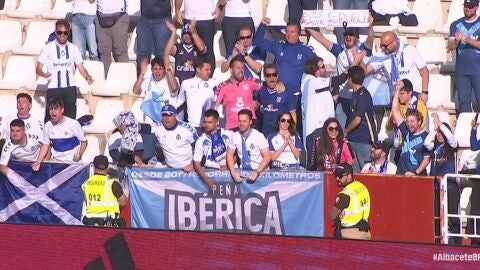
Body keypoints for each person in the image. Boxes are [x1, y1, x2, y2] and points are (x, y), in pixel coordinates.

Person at [307, 16, 374, 127]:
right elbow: (322, 39)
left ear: (357, 38)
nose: (348, 36)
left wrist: (371, 26)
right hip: (343, 97)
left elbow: (370, 38)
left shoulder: (363, 50)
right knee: (341, 128)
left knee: (357, 127)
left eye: (351, 34)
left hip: (358, 96)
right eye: (346, 34)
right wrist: (308, 25)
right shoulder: (340, 51)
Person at [301, 56, 362, 169]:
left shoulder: (314, 83)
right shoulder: (312, 82)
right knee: (315, 165)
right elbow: (340, 79)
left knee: (327, 163)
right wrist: (355, 62)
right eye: (322, 67)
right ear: (315, 71)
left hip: (322, 128)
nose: (325, 69)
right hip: (316, 130)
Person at [254, 17, 317, 122]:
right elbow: (258, 41)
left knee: (298, 127)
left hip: (298, 97)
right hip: (280, 94)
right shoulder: (279, 46)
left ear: (299, 33)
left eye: (292, 32)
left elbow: (318, 65)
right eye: (287, 31)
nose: (289, 34)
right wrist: (263, 25)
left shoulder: (306, 49)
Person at [36, 19, 94, 122]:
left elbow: (80, 67)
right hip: (54, 88)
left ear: (68, 32)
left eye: (65, 32)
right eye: (59, 32)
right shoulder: (47, 48)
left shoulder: (74, 48)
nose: (62, 35)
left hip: (69, 88)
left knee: (70, 119)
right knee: (51, 119)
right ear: (55, 32)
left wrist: (87, 77)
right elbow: (38, 68)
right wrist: (44, 74)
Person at [424, 112, 460, 245]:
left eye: (441, 132)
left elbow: (451, 138)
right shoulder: (433, 147)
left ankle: (456, 242)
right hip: (436, 186)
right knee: (436, 216)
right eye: (438, 132)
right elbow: (427, 142)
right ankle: (437, 242)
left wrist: (440, 124)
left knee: (453, 216)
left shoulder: (451, 146)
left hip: (450, 186)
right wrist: (435, 129)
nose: (439, 134)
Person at [364, 31, 429, 104]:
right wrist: (359, 60)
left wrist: (425, 92)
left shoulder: (410, 50)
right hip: (397, 96)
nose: (382, 48)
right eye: (381, 45)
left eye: (385, 45)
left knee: (414, 115)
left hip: (414, 93)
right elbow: (366, 70)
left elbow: (424, 71)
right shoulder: (382, 55)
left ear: (394, 42)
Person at [33, 99, 88, 170]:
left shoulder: (73, 124)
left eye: (55, 108)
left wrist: (80, 154)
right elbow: (45, 145)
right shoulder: (48, 125)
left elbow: (84, 142)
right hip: (56, 162)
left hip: (72, 162)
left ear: (62, 110)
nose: (53, 111)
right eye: (51, 109)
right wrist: (38, 161)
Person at [447, 0, 480, 113]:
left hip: (478, 70)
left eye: (471, 7)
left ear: (477, 6)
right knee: (463, 105)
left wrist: (467, 39)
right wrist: (456, 40)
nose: (468, 9)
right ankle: (465, 129)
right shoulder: (456, 24)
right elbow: (450, 46)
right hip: (462, 71)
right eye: (466, 6)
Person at [390, 83, 430, 176]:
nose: (409, 124)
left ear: (419, 122)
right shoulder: (406, 130)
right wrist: (397, 91)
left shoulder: (425, 137)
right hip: (401, 174)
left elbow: (426, 159)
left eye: (412, 121)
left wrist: (415, 173)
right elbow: (395, 110)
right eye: (407, 121)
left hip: (416, 177)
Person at [344, 66, 377, 172]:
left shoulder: (363, 95)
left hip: (364, 139)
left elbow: (358, 119)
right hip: (353, 138)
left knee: (365, 170)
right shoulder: (355, 94)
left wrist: (346, 131)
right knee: (355, 170)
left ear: (350, 78)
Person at [215, 56, 262, 131]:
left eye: (242, 68)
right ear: (231, 70)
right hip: (232, 127)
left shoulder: (250, 81)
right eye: (238, 68)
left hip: (250, 125)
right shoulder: (223, 86)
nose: (241, 70)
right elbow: (215, 106)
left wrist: (258, 102)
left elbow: (267, 88)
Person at [81, 155, 128, 227]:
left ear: (93, 166)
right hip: (109, 223)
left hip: (90, 222)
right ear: (108, 167)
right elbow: (123, 202)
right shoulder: (113, 184)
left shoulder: (85, 184)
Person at [227, 109, 271, 183]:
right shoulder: (235, 136)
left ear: (250, 122)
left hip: (259, 174)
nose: (241, 123)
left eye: (244, 121)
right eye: (239, 121)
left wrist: (257, 172)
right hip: (243, 173)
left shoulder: (258, 136)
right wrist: (233, 172)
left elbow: (267, 156)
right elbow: (230, 153)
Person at [133, 57, 182, 124]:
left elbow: (174, 88)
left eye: (160, 69)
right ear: (151, 70)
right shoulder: (148, 80)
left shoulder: (173, 80)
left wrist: (168, 68)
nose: (157, 72)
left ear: (164, 70)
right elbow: (136, 91)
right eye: (155, 69)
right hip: (150, 122)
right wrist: (142, 74)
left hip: (167, 122)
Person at [193, 109, 233, 188]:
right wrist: (207, 180)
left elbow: (236, 153)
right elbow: (197, 164)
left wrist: (229, 166)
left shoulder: (229, 135)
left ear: (217, 122)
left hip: (228, 174)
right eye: (205, 122)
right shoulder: (200, 141)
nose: (207, 125)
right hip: (210, 174)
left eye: (210, 122)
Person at [152, 104, 198, 172]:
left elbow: (200, 147)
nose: (166, 118)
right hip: (170, 169)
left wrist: (193, 165)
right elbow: (142, 128)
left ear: (175, 116)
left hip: (188, 170)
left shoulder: (187, 129)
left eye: (169, 115)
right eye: (164, 115)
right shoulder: (158, 127)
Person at [175, 0, 219, 71]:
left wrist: (220, 7)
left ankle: (209, 78)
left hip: (207, 18)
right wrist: (177, 10)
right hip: (189, 17)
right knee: (188, 50)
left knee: (207, 51)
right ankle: (189, 76)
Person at [331, 163, 371, 240]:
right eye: (336, 176)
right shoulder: (362, 186)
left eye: (340, 176)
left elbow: (333, 216)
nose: (337, 178)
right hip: (365, 233)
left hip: (349, 234)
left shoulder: (345, 194)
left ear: (349, 176)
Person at [256, 64, 295, 136]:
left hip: (281, 134)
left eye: (274, 74)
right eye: (268, 75)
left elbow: (293, 114)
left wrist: (293, 132)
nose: (271, 77)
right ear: (265, 77)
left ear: (277, 76)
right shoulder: (262, 91)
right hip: (266, 134)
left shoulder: (285, 92)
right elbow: (255, 106)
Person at [165, 21, 207, 85]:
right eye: (185, 34)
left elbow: (202, 48)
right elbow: (167, 51)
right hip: (179, 83)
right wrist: (173, 33)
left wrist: (192, 31)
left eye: (189, 34)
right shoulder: (178, 47)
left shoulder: (197, 47)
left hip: (194, 84)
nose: (187, 36)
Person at [181, 58, 216, 132]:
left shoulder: (214, 82)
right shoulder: (186, 83)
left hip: (210, 127)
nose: (209, 72)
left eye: (210, 69)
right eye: (206, 70)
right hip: (192, 127)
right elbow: (179, 102)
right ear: (198, 70)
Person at [136, 0, 172, 73]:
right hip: (144, 18)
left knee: (162, 54)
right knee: (143, 55)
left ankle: (162, 83)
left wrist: (177, 10)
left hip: (163, 19)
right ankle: (142, 83)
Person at [95, 0, 129, 74]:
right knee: (104, 53)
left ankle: (124, 81)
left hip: (119, 16)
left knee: (120, 52)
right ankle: (107, 81)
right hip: (101, 17)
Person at [469, 113, 480, 245]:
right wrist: (473, 129)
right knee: (475, 210)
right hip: (478, 179)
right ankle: (475, 241)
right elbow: (474, 146)